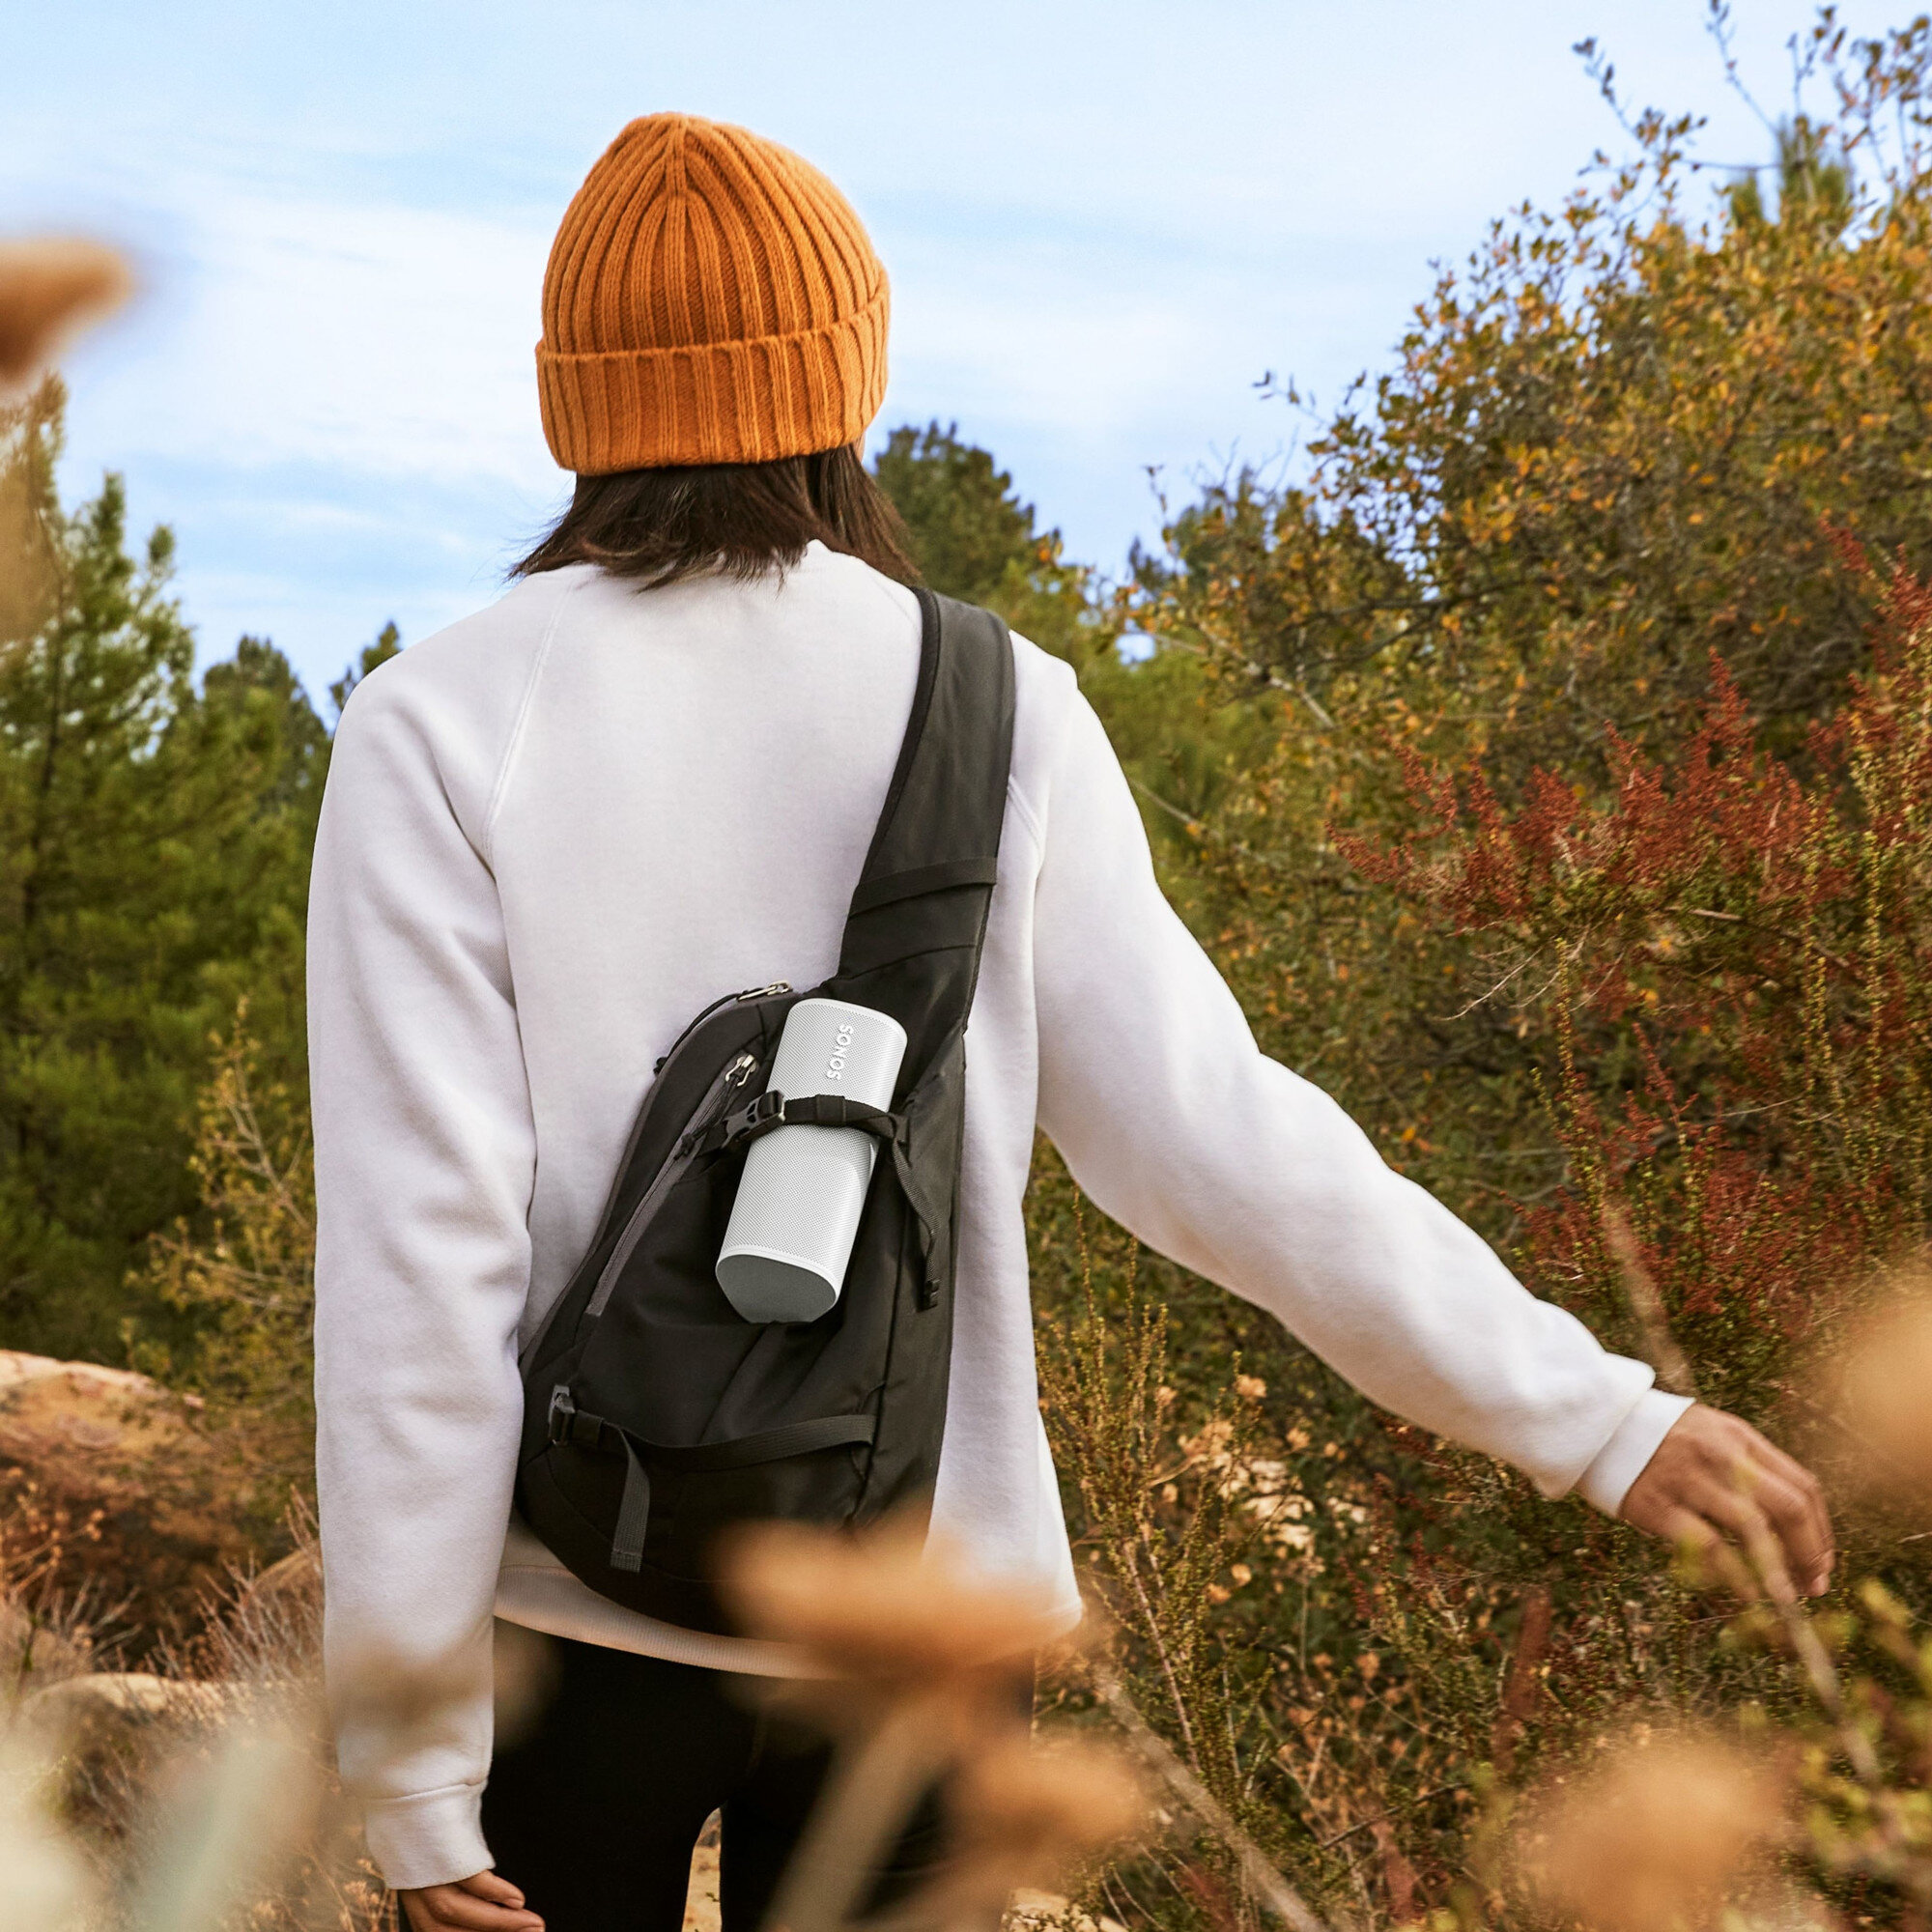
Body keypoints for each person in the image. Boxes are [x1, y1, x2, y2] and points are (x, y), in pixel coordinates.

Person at [307, 113, 1835, 1932]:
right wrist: (1591, 1416)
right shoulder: (992, 700)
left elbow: (425, 1262)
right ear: (843, 372)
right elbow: (1216, 1140)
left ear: (574, 397)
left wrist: (412, 1773)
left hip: (568, 1608)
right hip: (924, 1620)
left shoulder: (440, 722)